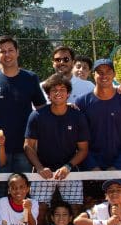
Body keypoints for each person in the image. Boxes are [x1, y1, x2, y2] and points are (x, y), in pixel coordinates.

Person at [72, 58, 121, 205]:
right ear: (93, 75)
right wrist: (92, 166)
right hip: (91, 169)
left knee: (119, 211)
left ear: (114, 74)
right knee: (91, 211)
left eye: (108, 72)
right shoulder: (82, 102)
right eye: (100, 72)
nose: (104, 75)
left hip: (119, 168)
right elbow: (79, 139)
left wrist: (117, 166)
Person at [23, 73, 90, 213]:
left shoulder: (78, 116)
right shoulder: (37, 116)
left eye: (62, 89)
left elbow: (83, 149)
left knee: (75, 209)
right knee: (38, 210)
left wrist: (68, 166)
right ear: (48, 95)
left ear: (68, 93)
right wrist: (40, 168)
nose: (58, 93)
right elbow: (28, 146)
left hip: (70, 171)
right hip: (43, 172)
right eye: (54, 90)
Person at [0, 35, 46, 178]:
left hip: (25, 149)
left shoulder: (30, 78)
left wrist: (64, 105)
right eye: (3, 51)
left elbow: (42, 110)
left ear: (17, 52)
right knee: (1, 189)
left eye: (10, 50)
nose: (7, 54)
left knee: (23, 188)